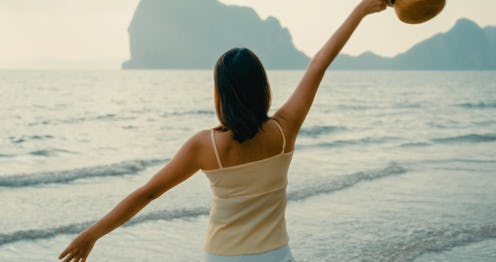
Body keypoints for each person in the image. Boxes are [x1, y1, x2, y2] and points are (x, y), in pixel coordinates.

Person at [58, 0, 387, 261]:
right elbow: (318, 63)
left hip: (222, 257)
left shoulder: (205, 146)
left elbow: (147, 193)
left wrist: (92, 235)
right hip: (275, 255)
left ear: (221, 94)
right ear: (262, 87)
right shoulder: (284, 130)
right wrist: (359, 10)